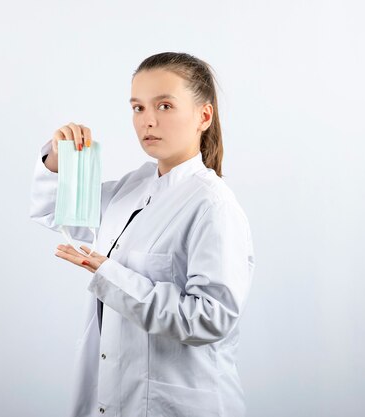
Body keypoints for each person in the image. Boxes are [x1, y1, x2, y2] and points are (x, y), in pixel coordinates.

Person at [29, 52, 255, 417]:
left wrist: (108, 274)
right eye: (137, 108)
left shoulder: (213, 205)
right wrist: (59, 156)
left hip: (180, 404)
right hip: (117, 396)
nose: (148, 121)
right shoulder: (136, 185)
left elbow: (211, 317)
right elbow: (57, 212)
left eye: (164, 106)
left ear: (204, 115)